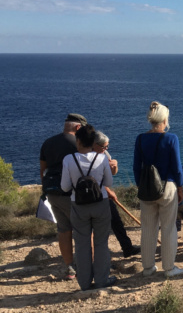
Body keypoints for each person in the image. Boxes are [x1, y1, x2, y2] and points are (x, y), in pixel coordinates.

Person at [60, 124, 116, 290]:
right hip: (101, 203)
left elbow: (64, 187)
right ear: (93, 142)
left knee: (82, 244)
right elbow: (108, 182)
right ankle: (101, 280)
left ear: (78, 141)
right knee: (101, 243)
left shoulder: (68, 159)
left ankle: (84, 282)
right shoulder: (102, 158)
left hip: (78, 205)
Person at [133, 101, 183, 278]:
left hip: (146, 186)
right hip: (167, 185)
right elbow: (177, 167)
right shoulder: (171, 138)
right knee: (168, 227)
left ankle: (148, 268)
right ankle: (169, 268)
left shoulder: (140, 138)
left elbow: (136, 166)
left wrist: (141, 186)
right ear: (164, 119)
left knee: (147, 228)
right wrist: (180, 187)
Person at [39, 113, 87, 280]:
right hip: (70, 194)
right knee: (84, 230)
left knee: (64, 230)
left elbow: (43, 170)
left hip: (52, 193)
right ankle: (87, 265)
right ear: (78, 127)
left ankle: (70, 268)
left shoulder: (48, 142)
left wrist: (46, 190)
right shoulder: (78, 143)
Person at [92, 131, 140, 258]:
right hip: (91, 195)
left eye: (107, 146)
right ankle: (98, 256)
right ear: (93, 144)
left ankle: (127, 248)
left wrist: (114, 167)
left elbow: (112, 174)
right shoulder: (87, 156)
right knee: (98, 227)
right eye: (103, 146)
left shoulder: (104, 153)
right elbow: (93, 180)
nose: (106, 149)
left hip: (105, 194)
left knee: (116, 222)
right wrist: (109, 191)